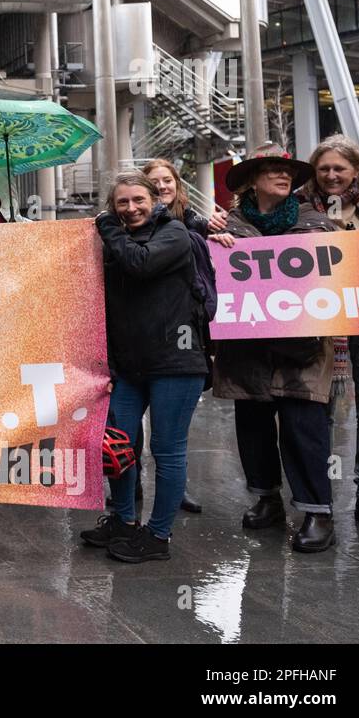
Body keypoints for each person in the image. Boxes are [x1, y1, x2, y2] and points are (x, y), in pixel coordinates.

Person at [212, 143, 339, 553]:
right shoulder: (225, 225)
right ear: (251, 180)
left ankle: (317, 511)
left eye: (289, 173)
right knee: (253, 428)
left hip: (303, 350)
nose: (284, 177)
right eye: (272, 170)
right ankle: (267, 498)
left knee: (305, 427)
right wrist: (212, 238)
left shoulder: (317, 223)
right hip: (247, 352)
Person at [80, 172, 209, 562]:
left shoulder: (175, 234)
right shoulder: (113, 241)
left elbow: (140, 263)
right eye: (122, 203)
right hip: (129, 367)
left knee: (166, 450)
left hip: (175, 362)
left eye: (139, 199)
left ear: (156, 200)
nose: (132, 208)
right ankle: (123, 520)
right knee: (117, 446)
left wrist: (105, 225)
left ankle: (157, 536)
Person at [137, 158, 235, 515]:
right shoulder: (129, 223)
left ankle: (175, 489)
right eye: (155, 181)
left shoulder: (191, 221)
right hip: (139, 337)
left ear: (177, 185)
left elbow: (209, 240)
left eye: (168, 180)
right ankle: (129, 489)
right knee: (130, 423)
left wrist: (217, 236)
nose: (163, 186)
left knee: (172, 428)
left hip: (181, 338)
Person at [300, 134, 359, 536]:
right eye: (324, 169)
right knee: (318, 409)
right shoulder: (296, 207)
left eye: (340, 168)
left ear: (357, 171)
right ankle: (320, 501)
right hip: (317, 318)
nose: (331, 176)